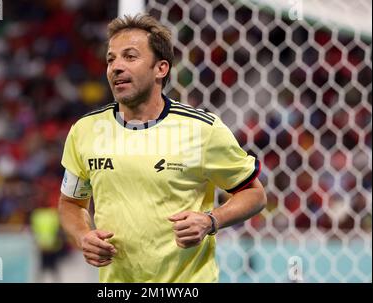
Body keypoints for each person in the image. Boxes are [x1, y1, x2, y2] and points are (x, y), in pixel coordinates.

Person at [58, 14, 267, 283]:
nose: (116, 67)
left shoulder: (201, 130)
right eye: (111, 59)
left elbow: (254, 194)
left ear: (161, 69)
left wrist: (210, 221)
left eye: (130, 57)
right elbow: (71, 202)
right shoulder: (85, 131)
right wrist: (83, 235)